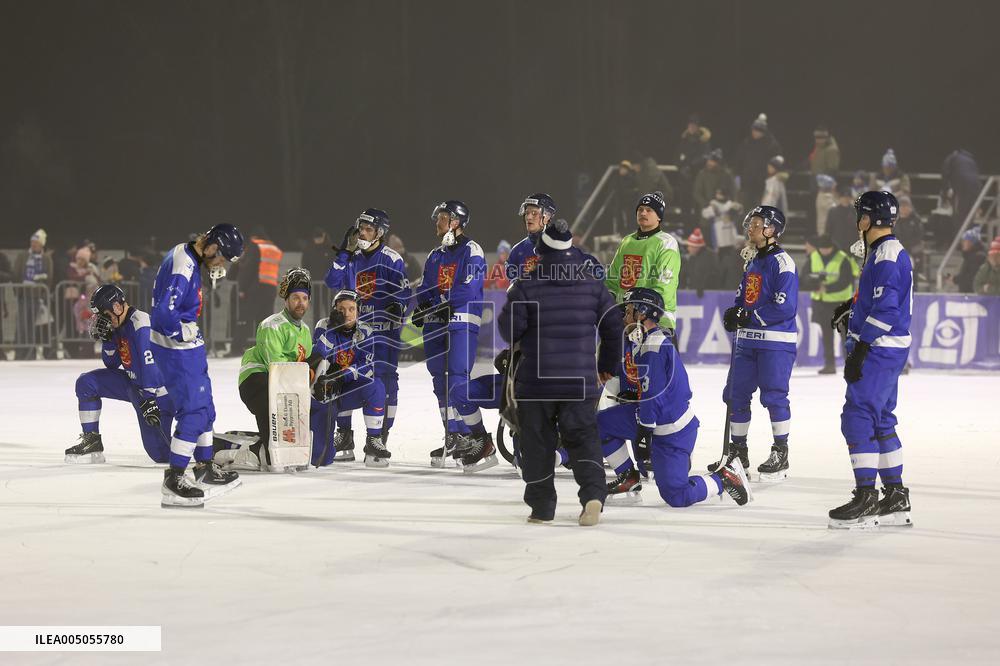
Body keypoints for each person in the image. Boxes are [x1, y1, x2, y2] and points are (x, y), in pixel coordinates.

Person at [499, 219, 623, 526]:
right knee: (583, 438)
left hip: (536, 382)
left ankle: (542, 508)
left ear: (541, 250)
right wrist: (607, 365)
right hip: (579, 381)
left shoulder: (527, 284)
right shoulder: (592, 284)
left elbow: (508, 330)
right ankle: (593, 495)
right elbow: (613, 326)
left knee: (537, 443)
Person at [602, 288, 751, 506]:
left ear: (642, 313)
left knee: (677, 496)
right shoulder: (648, 342)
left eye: (629, 310)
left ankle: (724, 478)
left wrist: (644, 432)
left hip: (671, 431)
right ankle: (628, 477)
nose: (624, 316)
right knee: (600, 424)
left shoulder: (652, 348)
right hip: (660, 420)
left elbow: (654, 396)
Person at [828, 191, 913, 529]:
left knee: (857, 416)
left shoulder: (886, 255)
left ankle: (866, 496)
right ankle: (895, 495)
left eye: (859, 215)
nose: (857, 221)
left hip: (879, 348)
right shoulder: (883, 251)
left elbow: (887, 309)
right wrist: (852, 306)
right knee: (881, 420)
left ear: (867, 219)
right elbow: (878, 298)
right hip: (888, 348)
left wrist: (862, 347)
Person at [150, 223, 243, 508]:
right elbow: (162, 316)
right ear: (213, 246)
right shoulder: (185, 265)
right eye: (222, 258)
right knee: (194, 411)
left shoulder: (187, 254)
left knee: (206, 407)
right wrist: (182, 331)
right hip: (176, 349)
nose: (221, 265)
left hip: (186, 348)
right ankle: (174, 477)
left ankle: (204, 467)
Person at [712, 205, 798, 482]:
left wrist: (749, 316)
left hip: (775, 343)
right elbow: (744, 298)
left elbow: (785, 306)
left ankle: (780, 451)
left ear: (772, 229)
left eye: (757, 223)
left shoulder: (783, 262)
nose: (750, 227)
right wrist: (735, 312)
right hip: (746, 343)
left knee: (774, 396)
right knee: (735, 395)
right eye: (750, 223)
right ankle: (738, 453)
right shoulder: (752, 261)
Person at [411, 200, 491, 469]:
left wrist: (442, 303)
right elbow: (426, 287)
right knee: (439, 378)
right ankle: (453, 434)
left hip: (460, 321)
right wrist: (423, 306)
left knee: (457, 377)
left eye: (442, 218)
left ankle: (470, 436)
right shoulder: (435, 255)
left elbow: (469, 288)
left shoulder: (472, 250)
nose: (437, 222)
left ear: (455, 222)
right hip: (436, 322)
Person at [324, 208, 410, 444]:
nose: (362, 233)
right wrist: (344, 252)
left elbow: (403, 293)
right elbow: (331, 281)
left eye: (368, 229)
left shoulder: (391, 258)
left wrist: (397, 305)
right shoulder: (351, 258)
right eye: (360, 228)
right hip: (352, 335)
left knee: (384, 382)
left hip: (382, 334)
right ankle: (344, 435)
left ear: (379, 233)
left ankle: (380, 434)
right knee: (342, 377)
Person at [65, 285, 176, 464]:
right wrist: (108, 340)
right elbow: (111, 364)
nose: (102, 321)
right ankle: (92, 442)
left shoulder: (140, 323)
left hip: (156, 392)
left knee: (161, 454)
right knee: (86, 383)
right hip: (133, 384)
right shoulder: (117, 324)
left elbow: (150, 364)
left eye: (104, 315)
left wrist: (149, 398)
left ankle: (205, 446)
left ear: (117, 307)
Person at [236, 268, 316, 468]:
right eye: (295, 297)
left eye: (304, 298)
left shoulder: (305, 331)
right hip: (255, 379)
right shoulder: (272, 325)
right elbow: (276, 367)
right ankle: (268, 452)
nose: (300, 303)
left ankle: (278, 450)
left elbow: (303, 364)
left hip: (280, 383)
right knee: (274, 401)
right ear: (286, 300)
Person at [310, 289, 387, 467]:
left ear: (358, 311)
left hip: (349, 388)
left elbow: (367, 366)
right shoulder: (324, 326)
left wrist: (342, 375)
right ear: (334, 310)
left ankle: (373, 440)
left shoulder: (365, 330)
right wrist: (332, 330)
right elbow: (317, 356)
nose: (347, 314)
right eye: (341, 309)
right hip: (327, 393)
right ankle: (344, 436)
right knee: (322, 457)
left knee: (376, 385)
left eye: (352, 309)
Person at [605, 191, 681, 331]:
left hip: (655, 323)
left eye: (649, 210)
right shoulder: (627, 241)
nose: (643, 213)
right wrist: (608, 303)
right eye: (640, 209)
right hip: (625, 321)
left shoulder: (666, 243)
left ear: (659, 217)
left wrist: (640, 312)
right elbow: (612, 281)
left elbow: (664, 287)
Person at [803, 235, 856, 374]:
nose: (824, 251)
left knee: (845, 335)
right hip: (821, 303)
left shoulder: (842, 258)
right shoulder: (814, 256)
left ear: (832, 247)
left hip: (841, 304)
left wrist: (827, 288)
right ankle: (829, 365)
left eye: (827, 248)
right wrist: (814, 285)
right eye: (822, 248)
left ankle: (850, 365)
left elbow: (846, 281)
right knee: (826, 335)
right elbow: (805, 276)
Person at [237, 227, 283, 346]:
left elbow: (248, 268)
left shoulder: (255, 245)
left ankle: (238, 346)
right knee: (265, 321)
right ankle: (264, 347)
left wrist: (242, 288)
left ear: (254, 237)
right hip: (270, 288)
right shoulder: (274, 248)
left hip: (255, 288)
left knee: (245, 318)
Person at [732, 113, 782, 211]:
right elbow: (739, 160)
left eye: (758, 131)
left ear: (763, 132)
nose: (755, 133)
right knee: (744, 209)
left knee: (760, 210)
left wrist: (773, 175)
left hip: (762, 184)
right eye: (754, 130)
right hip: (747, 183)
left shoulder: (771, 144)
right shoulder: (746, 143)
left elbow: (777, 162)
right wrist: (737, 174)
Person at [507, 193, 556, 281]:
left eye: (534, 213)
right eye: (527, 213)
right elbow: (514, 285)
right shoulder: (516, 251)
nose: (528, 217)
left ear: (547, 217)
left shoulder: (561, 249)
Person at [679, 229, 717, 294]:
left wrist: (703, 287)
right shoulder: (692, 258)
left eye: (690, 246)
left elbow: (713, 275)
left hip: (708, 293)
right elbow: (684, 273)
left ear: (696, 247)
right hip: (694, 293)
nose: (688, 249)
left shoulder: (710, 257)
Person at [954, 229, 985, 293]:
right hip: (968, 295)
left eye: (964, 241)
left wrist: (956, 279)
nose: (962, 243)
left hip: (972, 296)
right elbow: (967, 275)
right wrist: (955, 279)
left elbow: (972, 279)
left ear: (972, 242)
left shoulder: (977, 258)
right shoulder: (970, 256)